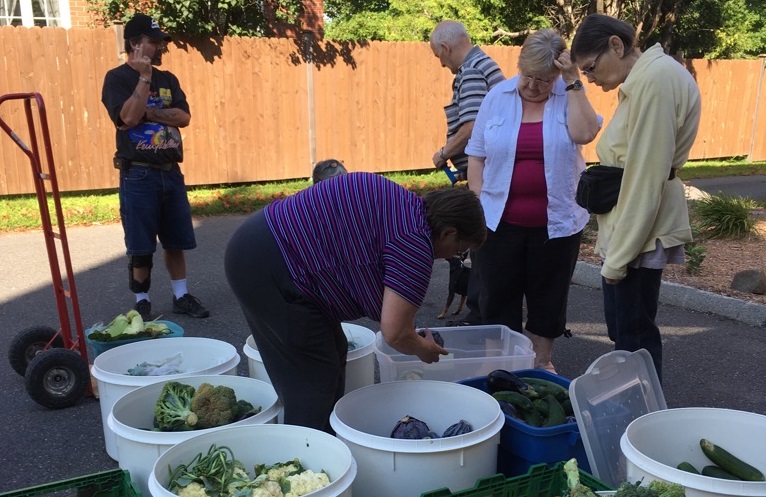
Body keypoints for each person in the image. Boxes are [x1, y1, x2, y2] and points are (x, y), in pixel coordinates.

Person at [224, 172, 486, 432]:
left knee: (332, 351)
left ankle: (324, 443)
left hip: (256, 243)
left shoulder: (400, 202)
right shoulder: (415, 242)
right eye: (459, 249)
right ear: (449, 232)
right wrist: (423, 349)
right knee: (312, 383)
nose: (452, 256)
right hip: (272, 269)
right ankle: (304, 459)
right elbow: (395, 333)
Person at [570, 14, 702, 382]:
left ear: (616, 45)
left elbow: (645, 178)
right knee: (627, 334)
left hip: (638, 234)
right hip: (629, 229)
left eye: (591, 68)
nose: (590, 79)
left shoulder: (656, 81)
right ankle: (633, 420)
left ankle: (638, 427)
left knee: (634, 339)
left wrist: (618, 259)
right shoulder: (645, 79)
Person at [465, 29, 601, 373]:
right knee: (497, 297)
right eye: (528, 76)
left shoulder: (567, 94)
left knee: (548, 298)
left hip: (556, 225)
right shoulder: (497, 96)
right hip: (497, 222)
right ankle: (501, 364)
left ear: (557, 74)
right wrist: (480, 202)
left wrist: (572, 81)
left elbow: (586, 133)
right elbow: (476, 157)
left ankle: (541, 362)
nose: (533, 86)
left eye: (544, 79)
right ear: (519, 67)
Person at [101, 13, 209, 320]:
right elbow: (127, 118)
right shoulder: (117, 79)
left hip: (170, 172)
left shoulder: (169, 79)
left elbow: (184, 118)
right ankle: (142, 301)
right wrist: (144, 79)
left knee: (176, 240)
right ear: (135, 44)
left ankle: (181, 295)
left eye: (161, 42)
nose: (161, 47)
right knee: (140, 243)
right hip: (138, 174)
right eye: (154, 42)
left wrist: (150, 113)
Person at [429, 20, 505, 326]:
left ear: (446, 48)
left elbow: (473, 127)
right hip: (490, 171)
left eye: (439, 56)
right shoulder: (486, 64)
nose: (443, 64)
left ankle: (481, 318)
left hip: (488, 177)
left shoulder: (471, 71)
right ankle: (486, 313)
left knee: (481, 244)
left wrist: (444, 153)